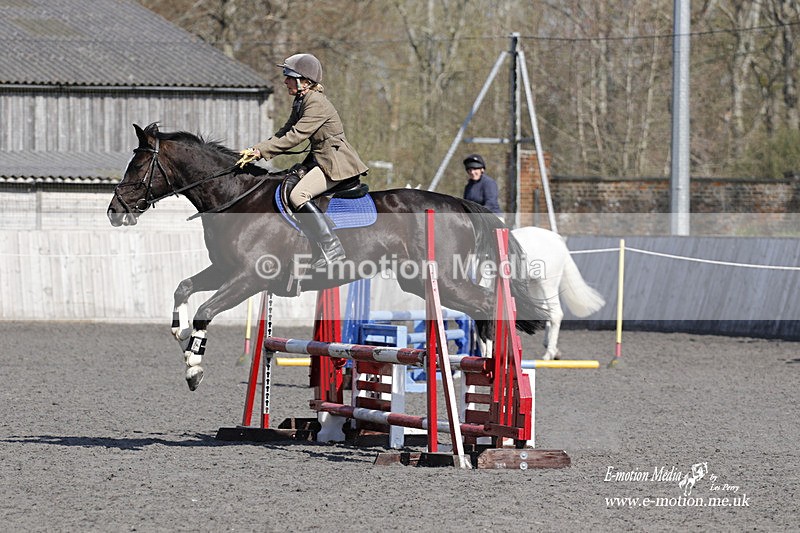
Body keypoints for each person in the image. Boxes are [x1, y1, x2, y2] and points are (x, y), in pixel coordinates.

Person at [237, 53, 368, 269]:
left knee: (299, 195)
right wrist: (256, 149)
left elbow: (295, 136)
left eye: (289, 76)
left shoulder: (316, 103)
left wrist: (261, 153)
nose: (285, 80)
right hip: (320, 159)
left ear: (305, 81)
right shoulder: (302, 100)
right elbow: (285, 131)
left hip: (335, 163)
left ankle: (332, 247)